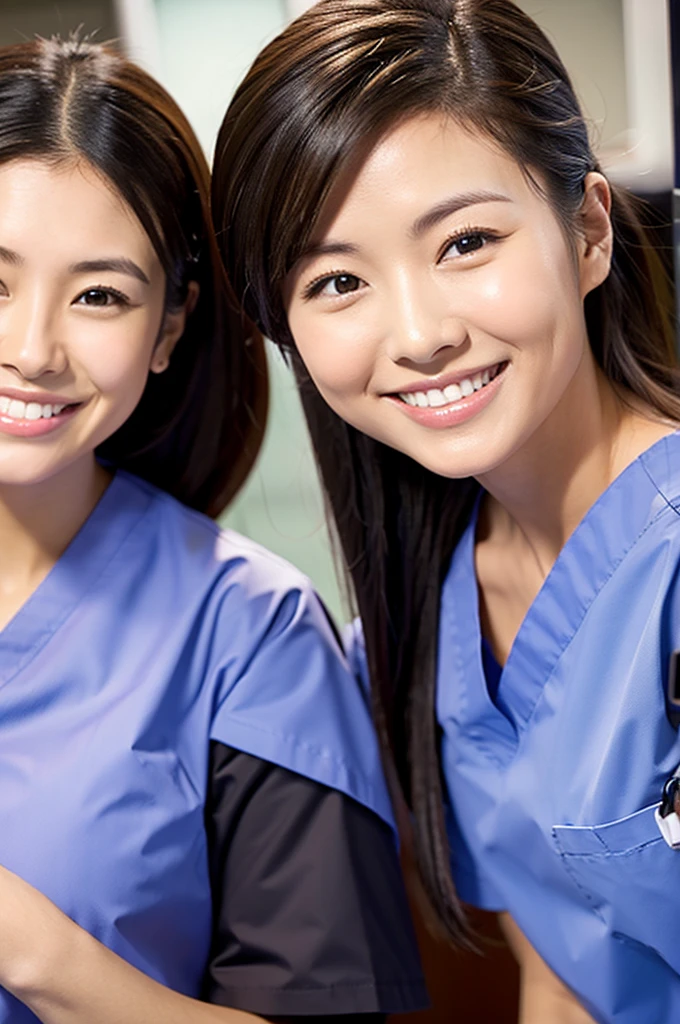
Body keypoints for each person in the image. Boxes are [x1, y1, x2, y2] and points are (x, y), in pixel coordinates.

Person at [211, 0, 680, 1021]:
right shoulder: (417, 617)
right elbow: (558, 967)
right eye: (337, 279)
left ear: (586, 229)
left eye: (464, 241)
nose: (418, 332)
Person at [0, 34, 428, 1024]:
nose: (32, 348)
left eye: (99, 294)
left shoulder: (251, 636)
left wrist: (37, 952)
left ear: (169, 328)